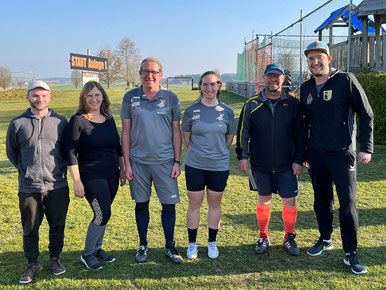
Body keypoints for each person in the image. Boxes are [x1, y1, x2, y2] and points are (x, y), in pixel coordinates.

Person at [301, 41, 373, 275]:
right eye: (310, 59)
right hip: (316, 155)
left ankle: (351, 253)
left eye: (319, 58)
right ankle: (325, 238)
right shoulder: (306, 88)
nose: (315, 62)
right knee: (321, 200)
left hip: (343, 154)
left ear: (328, 59)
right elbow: (303, 124)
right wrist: (302, 154)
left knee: (347, 202)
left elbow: (366, 113)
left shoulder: (346, 80)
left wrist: (366, 148)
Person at [236, 64, 306, 256]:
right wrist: (243, 156)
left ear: (283, 79)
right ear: (264, 78)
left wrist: (299, 159)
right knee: (263, 199)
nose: (273, 80)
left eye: (277, 76)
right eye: (269, 76)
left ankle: (289, 237)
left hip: (287, 165)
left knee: (289, 201)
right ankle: (263, 236)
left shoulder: (293, 104)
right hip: (261, 164)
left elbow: (300, 135)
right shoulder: (251, 104)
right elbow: (243, 132)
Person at [120, 57, 183, 264]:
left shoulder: (171, 98)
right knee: (141, 205)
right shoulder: (130, 97)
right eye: (145, 71)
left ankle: (170, 246)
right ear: (140, 74)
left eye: (154, 72)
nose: (150, 75)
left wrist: (176, 161)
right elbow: (126, 133)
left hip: (165, 162)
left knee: (169, 206)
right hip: (138, 163)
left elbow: (176, 131)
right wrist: (127, 164)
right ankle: (143, 244)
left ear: (161, 74)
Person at [6, 80, 70, 284]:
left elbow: (68, 151)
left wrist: (59, 172)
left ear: (50, 97)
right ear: (27, 97)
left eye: (43, 95)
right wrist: (27, 171)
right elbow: (12, 153)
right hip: (29, 187)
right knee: (30, 228)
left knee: (57, 225)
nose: (39, 99)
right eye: (35, 95)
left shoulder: (61, 122)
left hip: (57, 185)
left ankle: (54, 259)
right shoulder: (17, 123)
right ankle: (32, 263)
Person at [66, 81, 125, 270]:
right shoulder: (77, 120)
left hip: (111, 175)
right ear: (84, 97)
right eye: (89, 95)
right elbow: (70, 153)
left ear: (103, 97)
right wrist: (76, 181)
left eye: (97, 95)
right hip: (91, 176)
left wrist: (122, 169)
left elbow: (118, 147)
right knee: (102, 214)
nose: (94, 99)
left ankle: (98, 248)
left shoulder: (108, 118)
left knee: (104, 214)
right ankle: (88, 253)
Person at [181, 71, 235, 259]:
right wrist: (200, 153)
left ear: (219, 85)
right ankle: (192, 244)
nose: (209, 88)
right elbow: (187, 138)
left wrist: (217, 153)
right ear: (200, 86)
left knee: (215, 203)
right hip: (195, 165)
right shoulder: (191, 111)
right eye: (205, 84)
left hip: (219, 166)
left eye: (213, 84)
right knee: (194, 204)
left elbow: (229, 139)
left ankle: (212, 243)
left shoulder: (227, 111)